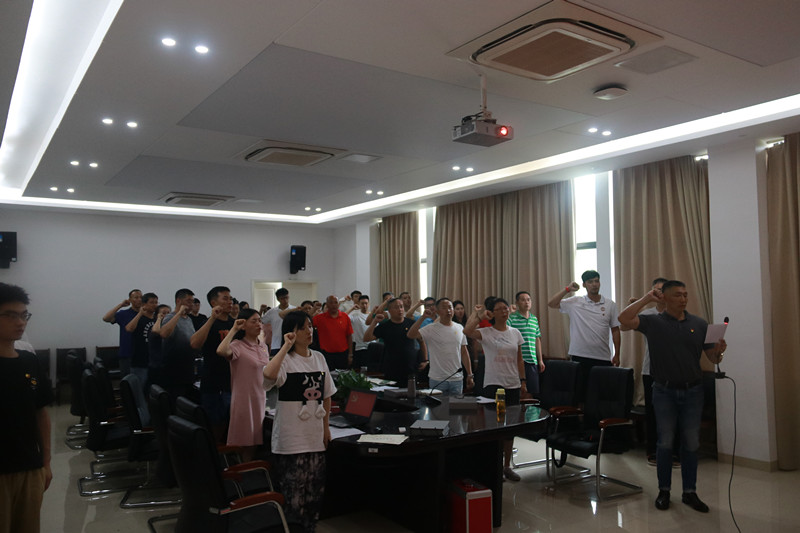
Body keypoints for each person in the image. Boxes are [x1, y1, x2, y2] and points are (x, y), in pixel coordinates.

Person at [618, 280, 727, 513]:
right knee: (665, 442)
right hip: (664, 391)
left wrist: (719, 352)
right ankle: (664, 491)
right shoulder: (653, 322)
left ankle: (690, 492)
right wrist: (646, 298)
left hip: (693, 391)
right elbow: (623, 319)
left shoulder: (699, 324)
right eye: (677, 295)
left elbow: (713, 358)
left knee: (691, 443)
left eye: (685, 294)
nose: (683, 299)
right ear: (665, 298)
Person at [263, 311, 336, 532]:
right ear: (291, 332)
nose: (309, 331)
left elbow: (327, 395)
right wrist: (285, 347)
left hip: (314, 436)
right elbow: (268, 375)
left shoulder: (319, 358)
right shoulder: (285, 360)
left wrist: (326, 428)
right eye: (303, 327)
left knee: (314, 494)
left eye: (310, 326)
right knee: (294, 497)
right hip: (291, 439)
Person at [0, 283, 53, 533]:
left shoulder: (29, 361)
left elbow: (40, 413)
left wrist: (46, 462)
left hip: (29, 467)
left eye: (24, 315)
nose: (20, 322)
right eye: (10, 315)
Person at [464, 298, 526, 481]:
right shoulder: (487, 333)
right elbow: (467, 331)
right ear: (492, 313)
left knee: (510, 428)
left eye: (505, 308)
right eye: (499, 309)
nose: (504, 311)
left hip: (513, 384)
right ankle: (495, 465)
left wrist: (523, 381)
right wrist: (479, 315)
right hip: (495, 384)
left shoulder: (515, 333)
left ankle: (507, 466)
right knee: (496, 426)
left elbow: (520, 359)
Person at [548, 270, 620, 401]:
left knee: (600, 395)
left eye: (596, 281)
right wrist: (567, 289)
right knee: (579, 395)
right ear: (584, 285)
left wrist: (617, 354)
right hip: (579, 355)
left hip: (602, 357)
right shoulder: (575, 302)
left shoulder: (610, 304)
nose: (594, 284)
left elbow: (615, 330)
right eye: (590, 282)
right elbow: (551, 303)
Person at [621, 277, 670, 466]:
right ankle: (653, 451)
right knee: (653, 413)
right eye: (655, 290)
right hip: (651, 370)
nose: (659, 293)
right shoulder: (648, 314)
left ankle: (673, 452)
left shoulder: (677, 314)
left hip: (674, 372)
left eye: (662, 290)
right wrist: (638, 305)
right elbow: (624, 326)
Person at [217, 308, 270, 462]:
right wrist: (234, 329)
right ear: (243, 325)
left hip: (260, 399)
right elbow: (221, 351)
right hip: (244, 400)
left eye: (259, 321)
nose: (258, 324)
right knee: (245, 443)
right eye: (254, 321)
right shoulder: (237, 345)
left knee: (255, 443)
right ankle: (244, 471)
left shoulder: (263, 346)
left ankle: (249, 468)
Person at [190, 286, 235, 443]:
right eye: (225, 298)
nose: (230, 302)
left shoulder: (235, 324)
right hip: (213, 382)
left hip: (233, 382)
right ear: (214, 302)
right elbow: (194, 344)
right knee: (215, 424)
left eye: (230, 298)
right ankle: (213, 454)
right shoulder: (208, 323)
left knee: (231, 423)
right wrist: (212, 319)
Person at [407, 298, 473, 396]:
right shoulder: (431, 328)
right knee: (438, 405)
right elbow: (411, 335)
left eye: (450, 307)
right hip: (437, 379)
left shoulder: (459, 328)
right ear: (437, 311)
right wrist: (423, 317)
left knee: (456, 405)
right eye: (444, 308)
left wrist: (470, 374)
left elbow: (464, 352)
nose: (448, 310)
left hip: (457, 379)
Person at [364, 298, 427, 384]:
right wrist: (374, 322)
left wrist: (424, 360)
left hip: (410, 366)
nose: (400, 310)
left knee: (411, 390)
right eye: (396, 307)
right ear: (389, 311)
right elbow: (366, 338)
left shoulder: (411, 323)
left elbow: (421, 341)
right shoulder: (385, 326)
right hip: (391, 367)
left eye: (401, 307)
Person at [159, 288, 197, 400]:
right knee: (175, 400)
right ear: (178, 301)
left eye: (192, 301)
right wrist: (179, 313)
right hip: (173, 370)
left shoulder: (189, 319)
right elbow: (164, 333)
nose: (191, 304)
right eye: (188, 301)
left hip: (188, 368)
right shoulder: (169, 317)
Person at [507, 291, 546, 396]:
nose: (526, 302)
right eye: (523, 300)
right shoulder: (512, 318)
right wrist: (509, 313)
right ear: (517, 302)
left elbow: (537, 339)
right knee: (517, 392)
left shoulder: (534, 319)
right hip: (516, 360)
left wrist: (540, 360)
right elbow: (503, 331)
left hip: (532, 360)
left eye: (528, 300)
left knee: (531, 393)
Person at [101, 289, 142, 377]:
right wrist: (120, 305)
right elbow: (106, 318)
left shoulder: (146, 314)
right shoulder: (124, 314)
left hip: (142, 354)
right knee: (127, 380)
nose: (139, 299)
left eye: (141, 297)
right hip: (127, 354)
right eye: (136, 297)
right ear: (130, 300)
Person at [124, 292, 159, 391]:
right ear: (144, 304)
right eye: (151, 302)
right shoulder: (139, 318)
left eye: (156, 302)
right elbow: (129, 329)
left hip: (154, 362)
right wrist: (140, 313)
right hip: (140, 362)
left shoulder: (157, 320)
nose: (155, 305)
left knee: (153, 390)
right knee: (139, 390)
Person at [312, 295, 353, 370]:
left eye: (335, 302)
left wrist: (350, 354)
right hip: (326, 354)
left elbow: (349, 336)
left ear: (338, 304)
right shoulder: (319, 318)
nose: (333, 305)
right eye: (331, 303)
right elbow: (306, 322)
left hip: (343, 354)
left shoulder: (345, 317)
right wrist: (314, 309)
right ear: (327, 304)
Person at [262, 288, 294, 356]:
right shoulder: (272, 312)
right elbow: (262, 321)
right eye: (282, 298)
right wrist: (261, 310)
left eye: (286, 297)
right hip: (276, 345)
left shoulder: (294, 310)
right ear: (278, 299)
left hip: (292, 344)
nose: (285, 300)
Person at [148, 304, 170, 389]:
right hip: (156, 365)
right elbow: (156, 331)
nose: (166, 315)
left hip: (168, 365)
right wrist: (159, 319)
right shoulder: (155, 326)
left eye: (168, 313)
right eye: (163, 313)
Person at [349, 294, 373, 369]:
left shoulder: (372, 316)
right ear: (359, 304)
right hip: (359, 347)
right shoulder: (354, 315)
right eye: (362, 303)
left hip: (371, 347)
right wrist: (352, 309)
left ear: (369, 304)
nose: (364, 305)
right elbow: (343, 317)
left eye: (366, 303)